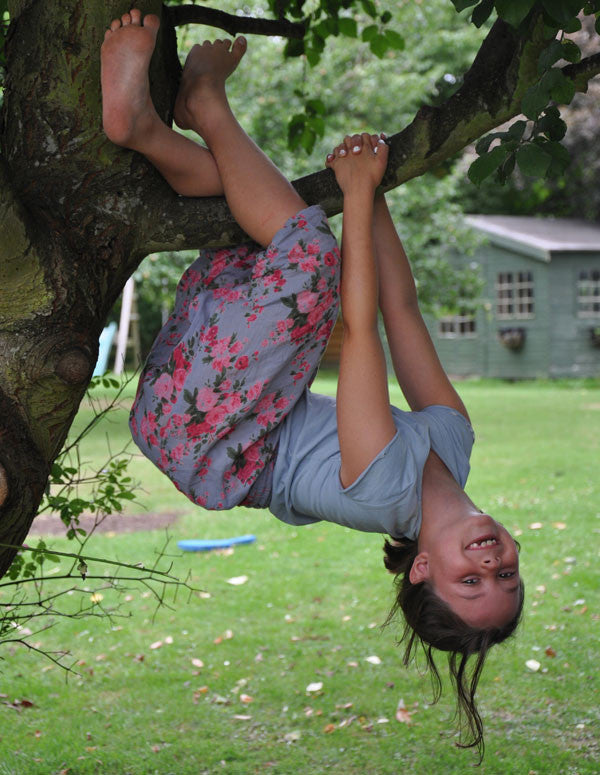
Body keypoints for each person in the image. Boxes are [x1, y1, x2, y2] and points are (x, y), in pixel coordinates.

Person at [101, 9, 524, 758]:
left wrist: (355, 195)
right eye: (507, 577)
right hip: (233, 399)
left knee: (306, 258)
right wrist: (381, 193)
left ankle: (203, 104)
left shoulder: (383, 489)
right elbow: (398, 310)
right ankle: (143, 132)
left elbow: (360, 336)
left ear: (424, 567)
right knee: (260, 216)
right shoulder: (453, 447)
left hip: (206, 433)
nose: (491, 563)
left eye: (470, 581)